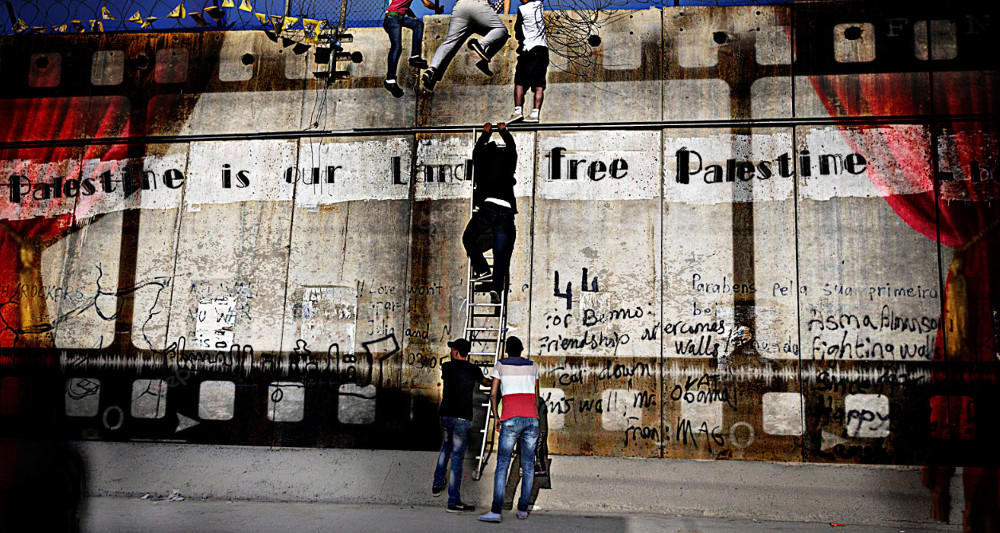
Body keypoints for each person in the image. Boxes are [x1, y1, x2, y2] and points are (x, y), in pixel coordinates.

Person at [478, 336, 539, 523]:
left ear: (507, 349)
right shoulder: (532, 366)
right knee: (528, 464)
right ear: (521, 349)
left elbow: (494, 392)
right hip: (532, 419)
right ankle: (522, 510)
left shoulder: (501, 365)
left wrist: (496, 416)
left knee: (503, 464)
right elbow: (536, 395)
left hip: (510, 418)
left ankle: (496, 511)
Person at [432, 338, 491, 513]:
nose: (450, 352)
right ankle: (453, 501)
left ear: (457, 352)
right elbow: (485, 382)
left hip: (446, 415)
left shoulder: (447, 367)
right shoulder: (473, 369)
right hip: (462, 418)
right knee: (457, 458)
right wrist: (497, 380)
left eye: (452, 349)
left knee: (445, 448)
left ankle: (437, 484)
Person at [462, 122, 517, 305]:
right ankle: (495, 287)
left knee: (469, 239)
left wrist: (485, 134)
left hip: (489, 207)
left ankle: (484, 270)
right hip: (507, 210)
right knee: (501, 254)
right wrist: (504, 131)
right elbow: (512, 148)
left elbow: (477, 153)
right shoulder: (508, 164)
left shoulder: (483, 165)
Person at [421, 0, 510, 91]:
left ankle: (431, 69)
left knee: (449, 42)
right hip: (478, 5)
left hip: (460, 7)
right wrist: (505, 13)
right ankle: (481, 45)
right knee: (501, 30)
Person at [502, 395, 550, 511]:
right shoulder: (537, 401)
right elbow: (542, 430)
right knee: (531, 467)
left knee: (518, 461)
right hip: (533, 432)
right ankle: (526, 502)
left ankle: (507, 500)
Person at [382, 0, 436, 97]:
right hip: (392, 18)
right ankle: (390, 79)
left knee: (418, 24)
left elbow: (404, 7)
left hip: (398, 17)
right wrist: (437, 8)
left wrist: (413, 16)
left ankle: (415, 57)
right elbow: (427, 3)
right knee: (396, 47)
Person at [509, 0, 548, 123]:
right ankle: (535, 114)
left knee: (520, 81)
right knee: (539, 85)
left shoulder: (522, 9)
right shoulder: (539, 5)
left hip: (529, 50)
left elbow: (518, 30)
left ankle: (517, 112)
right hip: (542, 50)